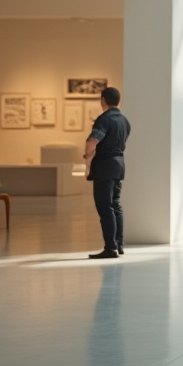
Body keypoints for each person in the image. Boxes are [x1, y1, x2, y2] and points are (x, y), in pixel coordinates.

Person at [83, 86, 131, 259]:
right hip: (119, 165)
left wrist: (87, 154)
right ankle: (119, 244)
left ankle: (110, 247)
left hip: (105, 166)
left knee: (105, 206)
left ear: (103, 100)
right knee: (116, 205)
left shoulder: (104, 119)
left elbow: (93, 140)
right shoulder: (124, 120)